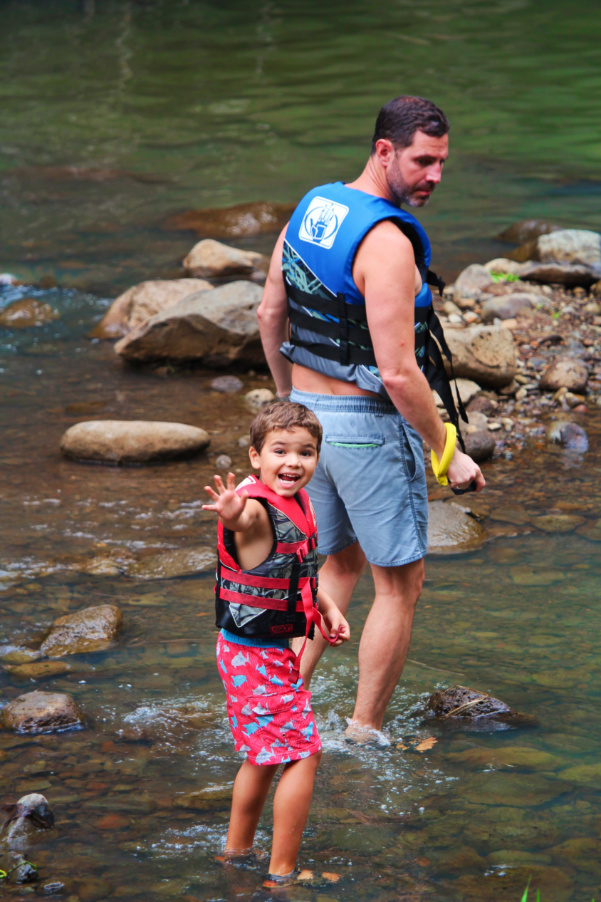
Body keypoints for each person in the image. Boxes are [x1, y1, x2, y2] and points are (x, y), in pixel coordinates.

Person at [257, 95, 486, 740]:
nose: (435, 175)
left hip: (308, 424)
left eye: (442, 163)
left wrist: (289, 412)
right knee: (399, 586)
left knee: (338, 565)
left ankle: (279, 706)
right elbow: (396, 372)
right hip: (365, 429)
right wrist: (449, 450)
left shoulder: (311, 208)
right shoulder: (385, 244)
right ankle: (365, 731)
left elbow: (269, 317)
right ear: (384, 150)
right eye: (423, 161)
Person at [203, 401, 350, 886]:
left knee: (263, 756)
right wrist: (231, 514)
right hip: (257, 657)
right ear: (254, 457)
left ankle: (235, 852)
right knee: (304, 753)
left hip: (251, 652)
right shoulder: (258, 510)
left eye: (306, 452)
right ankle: (282, 874)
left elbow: (297, 570)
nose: (293, 462)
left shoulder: (296, 503)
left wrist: (327, 609)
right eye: (280, 450)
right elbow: (246, 525)